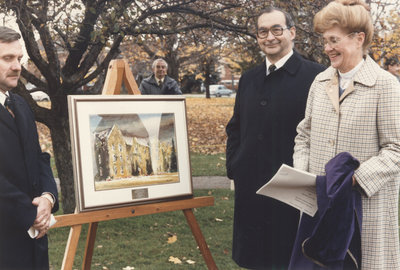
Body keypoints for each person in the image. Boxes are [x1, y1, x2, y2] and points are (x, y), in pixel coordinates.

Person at [292, 0, 400, 268]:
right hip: (320, 208)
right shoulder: (319, 82)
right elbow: (303, 135)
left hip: (366, 209)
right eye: (324, 40)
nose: (326, 48)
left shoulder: (385, 85)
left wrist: (353, 180)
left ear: (358, 38)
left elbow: (396, 149)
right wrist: (303, 175)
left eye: (333, 40)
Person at [225, 7, 325, 269]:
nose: (269, 36)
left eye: (276, 29)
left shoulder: (317, 76)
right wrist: (235, 167)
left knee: (289, 261)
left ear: (292, 33)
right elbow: (235, 127)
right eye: (263, 31)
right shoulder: (248, 78)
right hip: (251, 190)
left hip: (291, 193)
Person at [0, 26, 59, 269]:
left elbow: (39, 158)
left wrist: (48, 198)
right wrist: (31, 215)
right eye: (7, 58)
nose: (17, 66)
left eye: (19, 58)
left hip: (35, 243)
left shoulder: (21, 105)